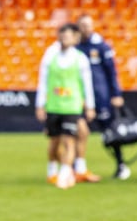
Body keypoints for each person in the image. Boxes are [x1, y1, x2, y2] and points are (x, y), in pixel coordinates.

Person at [34, 23, 95, 190]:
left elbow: (87, 84)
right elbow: (43, 81)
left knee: (69, 140)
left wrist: (90, 106)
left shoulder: (80, 58)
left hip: (72, 106)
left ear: (75, 38)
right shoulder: (50, 56)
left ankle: (65, 173)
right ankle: (52, 171)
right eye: (62, 35)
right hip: (54, 105)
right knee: (54, 142)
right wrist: (40, 104)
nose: (64, 39)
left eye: (68, 36)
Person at [74, 15, 127, 181]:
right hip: (79, 98)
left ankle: (121, 164)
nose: (86, 28)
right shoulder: (74, 48)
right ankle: (76, 168)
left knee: (110, 134)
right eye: (82, 25)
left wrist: (116, 94)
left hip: (101, 97)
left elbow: (111, 71)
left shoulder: (101, 46)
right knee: (77, 133)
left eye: (88, 25)